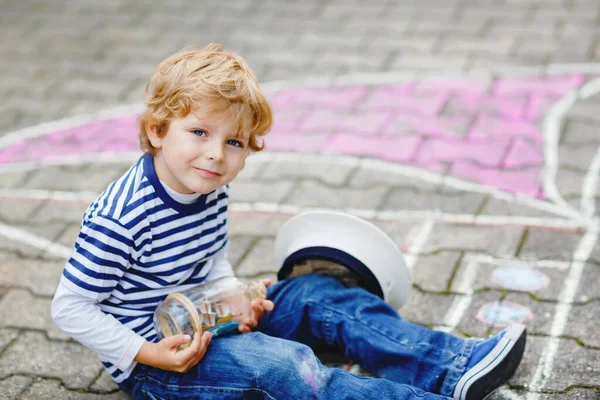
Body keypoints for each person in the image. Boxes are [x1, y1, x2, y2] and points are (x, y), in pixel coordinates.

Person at [51, 43, 526, 400]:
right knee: (286, 366)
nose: (216, 153)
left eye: (234, 142)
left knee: (317, 294)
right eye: (198, 132)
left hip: (204, 318)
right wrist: (147, 354)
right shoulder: (123, 215)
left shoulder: (207, 184)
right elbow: (70, 307)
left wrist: (233, 298)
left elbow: (210, 256)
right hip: (161, 362)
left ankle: (452, 367)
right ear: (157, 131)